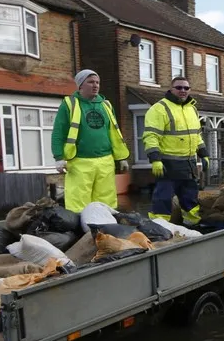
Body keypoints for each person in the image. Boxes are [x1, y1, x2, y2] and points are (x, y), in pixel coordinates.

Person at [52, 69, 130, 213]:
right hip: (79, 161)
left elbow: (113, 133)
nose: (95, 85)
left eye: (97, 82)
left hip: (105, 160)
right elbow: (58, 132)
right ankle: (82, 230)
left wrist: (122, 158)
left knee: (106, 200)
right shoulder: (69, 104)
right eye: (91, 82)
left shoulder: (106, 105)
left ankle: (105, 228)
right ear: (80, 85)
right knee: (78, 202)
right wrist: (58, 157)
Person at [144, 76, 209, 225]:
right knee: (163, 199)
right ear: (171, 89)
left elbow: (196, 135)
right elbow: (151, 136)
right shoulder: (160, 108)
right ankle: (159, 230)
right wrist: (155, 159)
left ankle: (193, 226)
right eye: (179, 87)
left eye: (186, 88)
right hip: (168, 165)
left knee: (190, 198)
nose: (183, 90)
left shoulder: (191, 108)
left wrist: (204, 154)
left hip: (189, 163)